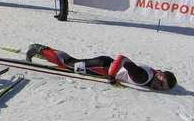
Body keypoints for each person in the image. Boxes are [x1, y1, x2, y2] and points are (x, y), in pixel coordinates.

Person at [25, 44, 177, 91]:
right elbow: (122, 59)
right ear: (159, 75)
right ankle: (39, 49)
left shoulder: (154, 73)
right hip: (100, 67)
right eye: (161, 85)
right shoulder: (143, 77)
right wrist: (111, 76)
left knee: (72, 62)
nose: (159, 88)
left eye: (163, 89)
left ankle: (46, 51)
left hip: (105, 63)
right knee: (68, 65)